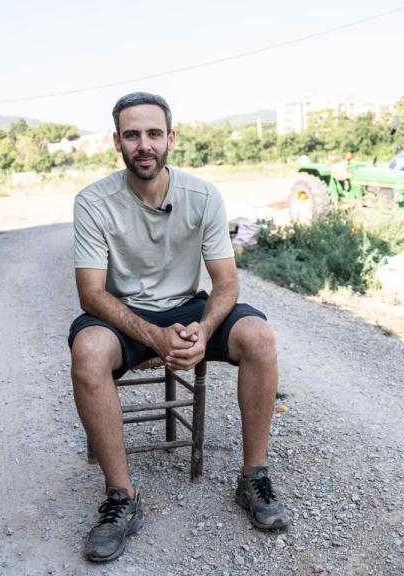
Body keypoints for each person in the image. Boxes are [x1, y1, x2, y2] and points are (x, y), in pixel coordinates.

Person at [68, 92, 292, 563]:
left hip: (188, 308)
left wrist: (205, 330)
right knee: (87, 351)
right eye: (132, 135)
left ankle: (253, 478)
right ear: (117, 142)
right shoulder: (92, 202)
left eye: (153, 133)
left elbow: (226, 283)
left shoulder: (203, 195)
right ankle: (121, 498)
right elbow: (91, 294)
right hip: (122, 310)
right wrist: (153, 337)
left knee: (260, 337)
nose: (143, 144)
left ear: (170, 138)